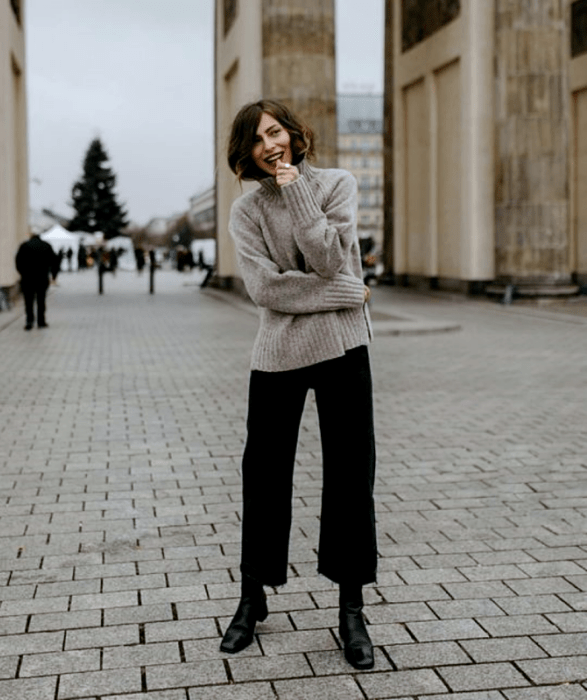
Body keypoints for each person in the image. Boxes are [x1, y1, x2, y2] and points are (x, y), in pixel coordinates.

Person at [220, 99, 377, 670]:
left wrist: (297, 193)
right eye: (257, 140)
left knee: (349, 476)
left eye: (275, 131)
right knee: (263, 474)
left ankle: (351, 608)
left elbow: (330, 259)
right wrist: (341, 294)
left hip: (342, 348)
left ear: (293, 133)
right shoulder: (246, 211)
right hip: (279, 350)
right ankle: (252, 595)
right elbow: (267, 290)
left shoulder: (336, 184)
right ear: (247, 152)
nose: (269, 145)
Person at [15, 232, 57, 330]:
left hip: (27, 278)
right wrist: (53, 275)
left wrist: (22, 273)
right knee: (41, 300)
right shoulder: (46, 246)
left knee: (28, 301)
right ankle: (41, 321)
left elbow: (18, 261)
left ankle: (29, 321)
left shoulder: (24, 246)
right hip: (42, 277)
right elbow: (54, 261)